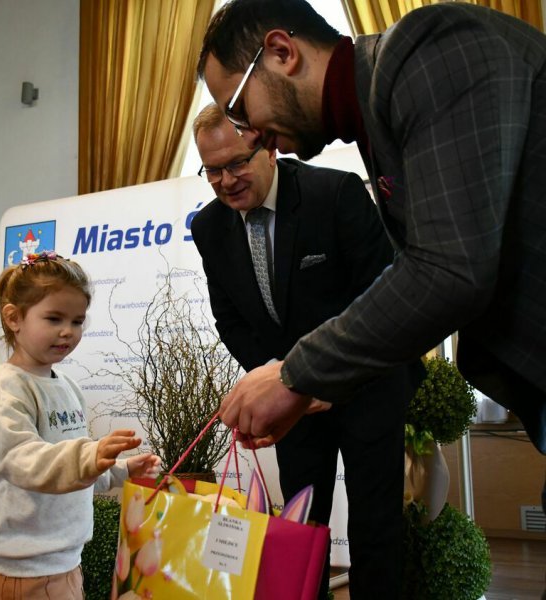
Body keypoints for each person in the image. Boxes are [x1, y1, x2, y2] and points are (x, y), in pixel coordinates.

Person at [197, 0, 546, 456]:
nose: (254, 135)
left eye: (240, 109)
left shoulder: (428, 49)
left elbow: (448, 269)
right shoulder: (375, 119)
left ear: (282, 51)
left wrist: (294, 374)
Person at [191, 103, 424, 599]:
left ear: (269, 149)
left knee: (375, 528)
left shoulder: (334, 194)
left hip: (369, 386)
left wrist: (313, 378)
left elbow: (383, 300)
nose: (226, 180)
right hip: (291, 404)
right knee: (302, 529)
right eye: (213, 170)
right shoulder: (208, 228)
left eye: (237, 163)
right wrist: (283, 383)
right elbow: (230, 319)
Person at [0, 251, 160, 600]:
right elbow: (24, 461)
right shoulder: (6, 387)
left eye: (77, 321)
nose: (67, 332)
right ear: (14, 318)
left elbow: (73, 470)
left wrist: (119, 469)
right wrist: (90, 453)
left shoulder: (67, 387)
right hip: (18, 568)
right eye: (54, 318)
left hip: (62, 560)